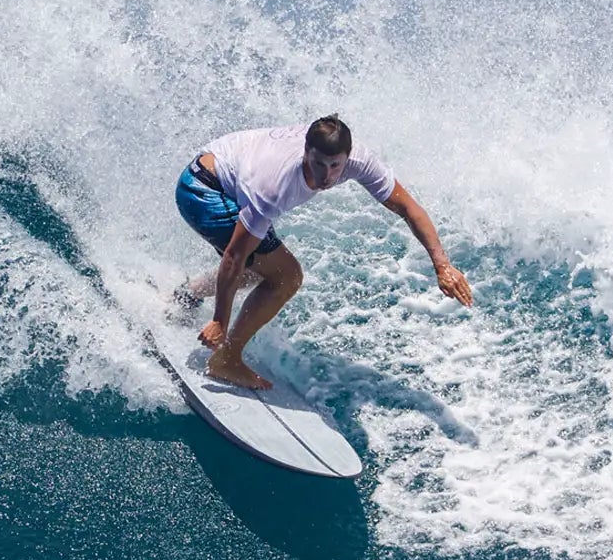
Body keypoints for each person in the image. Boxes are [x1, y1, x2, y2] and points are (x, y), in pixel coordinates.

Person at [174, 115, 473, 390]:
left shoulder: (359, 160)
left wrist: (442, 265)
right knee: (286, 276)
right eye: (318, 164)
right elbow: (233, 257)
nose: (326, 176)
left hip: (224, 172)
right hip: (202, 191)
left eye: (335, 166)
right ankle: (225, 359)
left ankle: (187, 295)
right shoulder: (275, 184)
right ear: (306, 152)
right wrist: (220, 321)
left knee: (263, 266)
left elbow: (408, 207)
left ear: (347, 157)